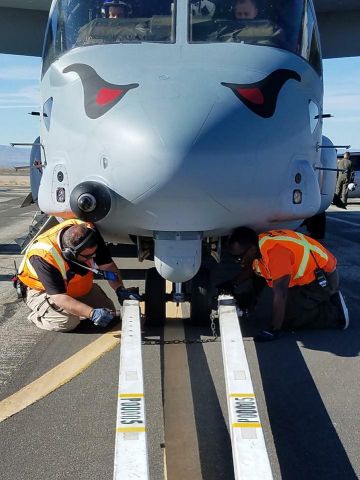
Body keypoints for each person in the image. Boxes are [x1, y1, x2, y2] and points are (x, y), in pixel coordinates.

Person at [17, 219, 140, 332]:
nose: (93, 258)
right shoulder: (43, 255)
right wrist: (92, 313)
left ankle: (76, 309)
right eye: (87, 256)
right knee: (66, 322)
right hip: (44, 291)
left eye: (94, 253)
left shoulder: (89, 235)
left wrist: (120, 289)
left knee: (108, 312)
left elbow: (107, 266)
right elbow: (59, 297)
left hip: (76, 287)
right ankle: (38, 315)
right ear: (69, 254)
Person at [228, 227, 349, 342]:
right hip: (308, 279)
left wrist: (273, 330)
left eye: (239, 258)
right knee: (282, 307)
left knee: (289, 319)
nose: (238, 261)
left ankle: (334, 312)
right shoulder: (260, 245)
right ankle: (315, 302)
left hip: (322, 282)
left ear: (252, 250)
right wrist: (232, 284)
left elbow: (281, 294)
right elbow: (255, 271)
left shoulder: (276, 253)